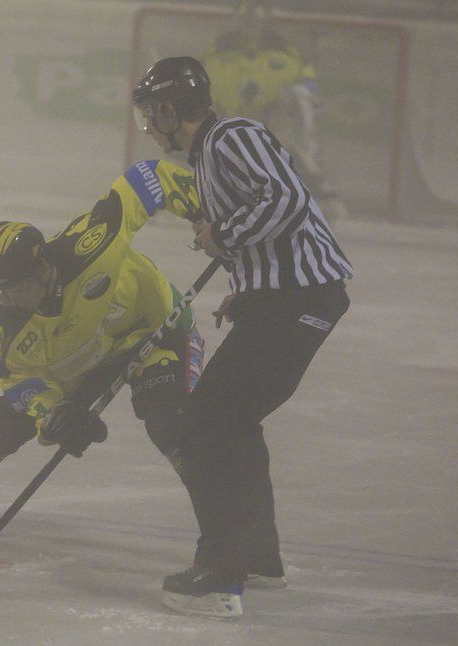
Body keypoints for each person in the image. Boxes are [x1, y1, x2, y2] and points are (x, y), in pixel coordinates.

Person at [133, 56, 352, 618]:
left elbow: (286, 198)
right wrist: (249, 287)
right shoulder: (209, 154)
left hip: (301, 300)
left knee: (206, 423)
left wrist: (224, 233)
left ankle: (221, 574)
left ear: (170, 110)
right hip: (286, 299)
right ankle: (256, 558)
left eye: (151, 115)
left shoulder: (231, 136)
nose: (148, 127)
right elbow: (270, 228)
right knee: (232, 422)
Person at [0, 160, 206, 531]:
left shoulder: (91, 246)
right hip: (91, 361)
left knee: (171, 426)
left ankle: (223, 523)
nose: (5, 300)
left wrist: (206, 214)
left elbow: (145, 178)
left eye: (14, 288)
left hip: (159, 331)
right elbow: (21, 384)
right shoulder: (8, 333)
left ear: (41, 271)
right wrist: (55, 417)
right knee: (4, 423)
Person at [202, 0, 348, 220]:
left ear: (266, 23)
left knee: (299, 100)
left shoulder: (286, 53)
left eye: (256, 21)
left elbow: (308, 84)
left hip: (276, 125)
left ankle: (317, 192)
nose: (250, 26)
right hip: (231, 127)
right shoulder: (216, 54)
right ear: (235, 21)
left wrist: (291, 97)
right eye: (245, 20)